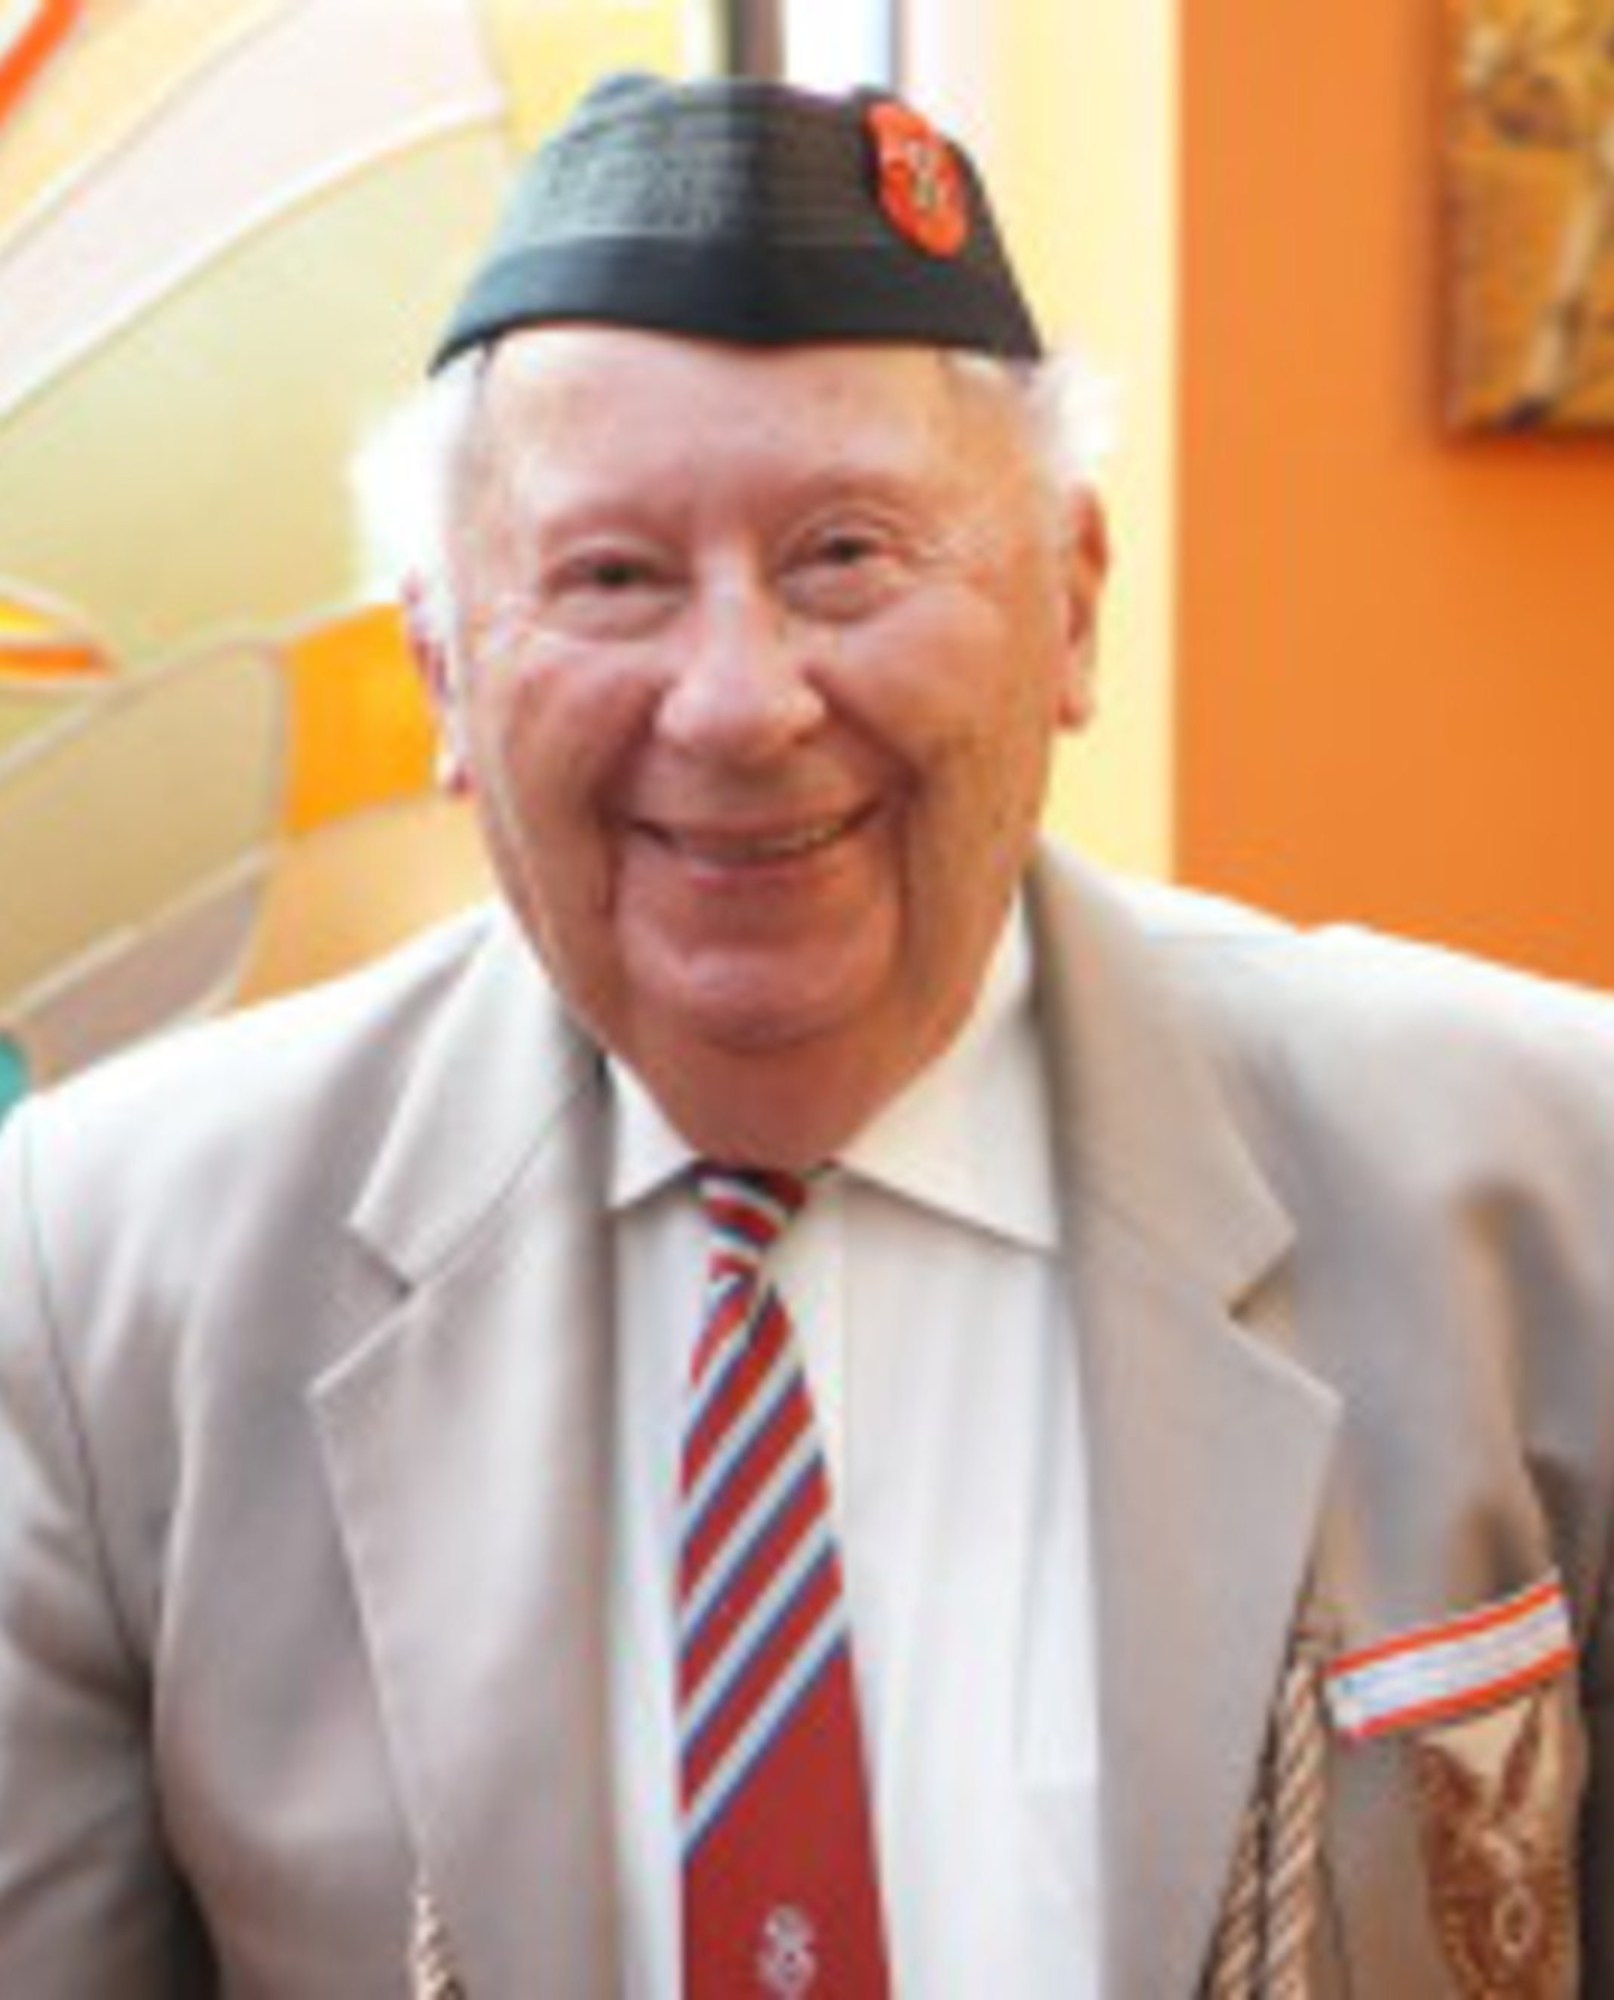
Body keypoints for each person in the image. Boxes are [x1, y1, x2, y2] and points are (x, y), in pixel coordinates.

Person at [0, 71, 1610, 2000]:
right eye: (611, 578)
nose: (738, 702)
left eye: (846, 554)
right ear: (441, 672)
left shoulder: (1542, 1183)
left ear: (1072, 606)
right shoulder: (102, 1279)